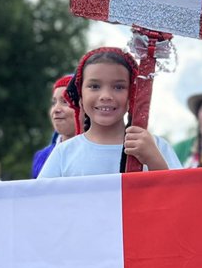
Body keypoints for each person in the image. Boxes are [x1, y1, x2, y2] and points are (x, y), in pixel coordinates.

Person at [38, 47, 180, 177]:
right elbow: (40, 201)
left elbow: (182, 198)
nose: (105, 95)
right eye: (94, 86)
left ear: (132, 94)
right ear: (80, 96)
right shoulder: (64, 153)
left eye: (118, 87)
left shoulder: (157, 147)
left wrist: (154, 161)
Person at [31, 74, 80, 178]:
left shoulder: (98, 151)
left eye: (65, 102)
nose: (56, 109)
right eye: (54, 102)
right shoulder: (42, 157)